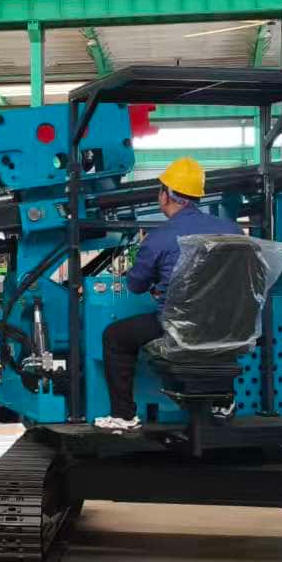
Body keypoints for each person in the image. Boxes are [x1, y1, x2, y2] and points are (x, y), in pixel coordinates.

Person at [95, 157, 240, 432]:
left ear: (165, 195)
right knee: (218, 336)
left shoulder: (159, 238)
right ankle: (223, 401)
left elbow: (136, 285)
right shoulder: (233, 231)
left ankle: (123, 415)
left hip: (178, 327)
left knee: (115, 336)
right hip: (227, 326)